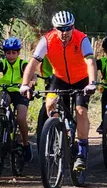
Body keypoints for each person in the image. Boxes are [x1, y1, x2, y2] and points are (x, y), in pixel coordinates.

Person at [21, 11, 98, 171]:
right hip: (60, 78)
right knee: (49, 104)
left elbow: (90, 62)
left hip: (81, 79)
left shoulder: (81, 38)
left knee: (81, 111)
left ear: (73, 27)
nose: (64, 32)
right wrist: (25, 84)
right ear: (55, 29)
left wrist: (91, 83)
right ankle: (58, 131)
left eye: (68, 28)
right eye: (60, 29)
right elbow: (33, 63)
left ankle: (82, 152)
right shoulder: (47, 40)